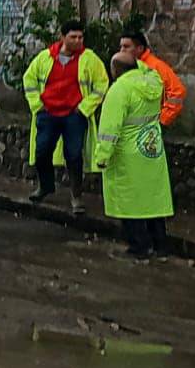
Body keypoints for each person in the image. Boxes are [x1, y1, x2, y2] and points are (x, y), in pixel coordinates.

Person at [22, 20, 108, 214]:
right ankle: (45, 186)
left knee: (74, 155)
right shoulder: (45, 58)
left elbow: (102, 84)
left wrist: (84, 108)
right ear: (62, 37)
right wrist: (38, 105)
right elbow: (29, 79)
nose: (78, 41)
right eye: (73, 37)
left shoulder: (89, 59)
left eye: (80, 37)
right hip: (48, 113)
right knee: (42, 151)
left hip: (73, 115)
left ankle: (76, 196)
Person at [94, 51, 174, 258]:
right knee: (153, 200)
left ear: (115, 70)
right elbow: (149, 69)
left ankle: (139, 247)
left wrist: (102, 156)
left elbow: (109, 129)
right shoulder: (154, 83)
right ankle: (160, 246)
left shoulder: (119, 90)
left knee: (129, 202)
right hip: (151, 148)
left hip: (127, 153)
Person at [119, 31, 186, 127]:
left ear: (140, 48)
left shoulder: (156, 66)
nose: (122, 50)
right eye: (121, 46)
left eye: (126, 47)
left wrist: (162, 120)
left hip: (150, 127)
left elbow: (177, 92)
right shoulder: (126, 66)